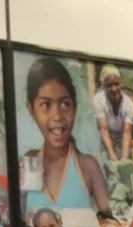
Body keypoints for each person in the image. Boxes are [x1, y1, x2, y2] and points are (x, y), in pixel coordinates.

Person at [22, 57, 110, 215]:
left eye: (65, 104)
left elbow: (109, 222)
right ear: (31, 110)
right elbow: (18, 220)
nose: (57, 116)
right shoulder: (31, 163)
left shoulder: (87, 166)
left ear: (75, 108)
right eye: (45, 105)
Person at [93, 64, 133, 163]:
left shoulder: (129, 104)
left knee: (125, 162)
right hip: (105, 134)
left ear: (121, 84)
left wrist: (124, 158)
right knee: (105, 163)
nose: (114, 88)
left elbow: (127, 132)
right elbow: (103, 129)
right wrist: (111, 155)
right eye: (109, 85)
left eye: (116, 84)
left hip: (121, 135)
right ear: (104, 86)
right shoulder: (98, 100)